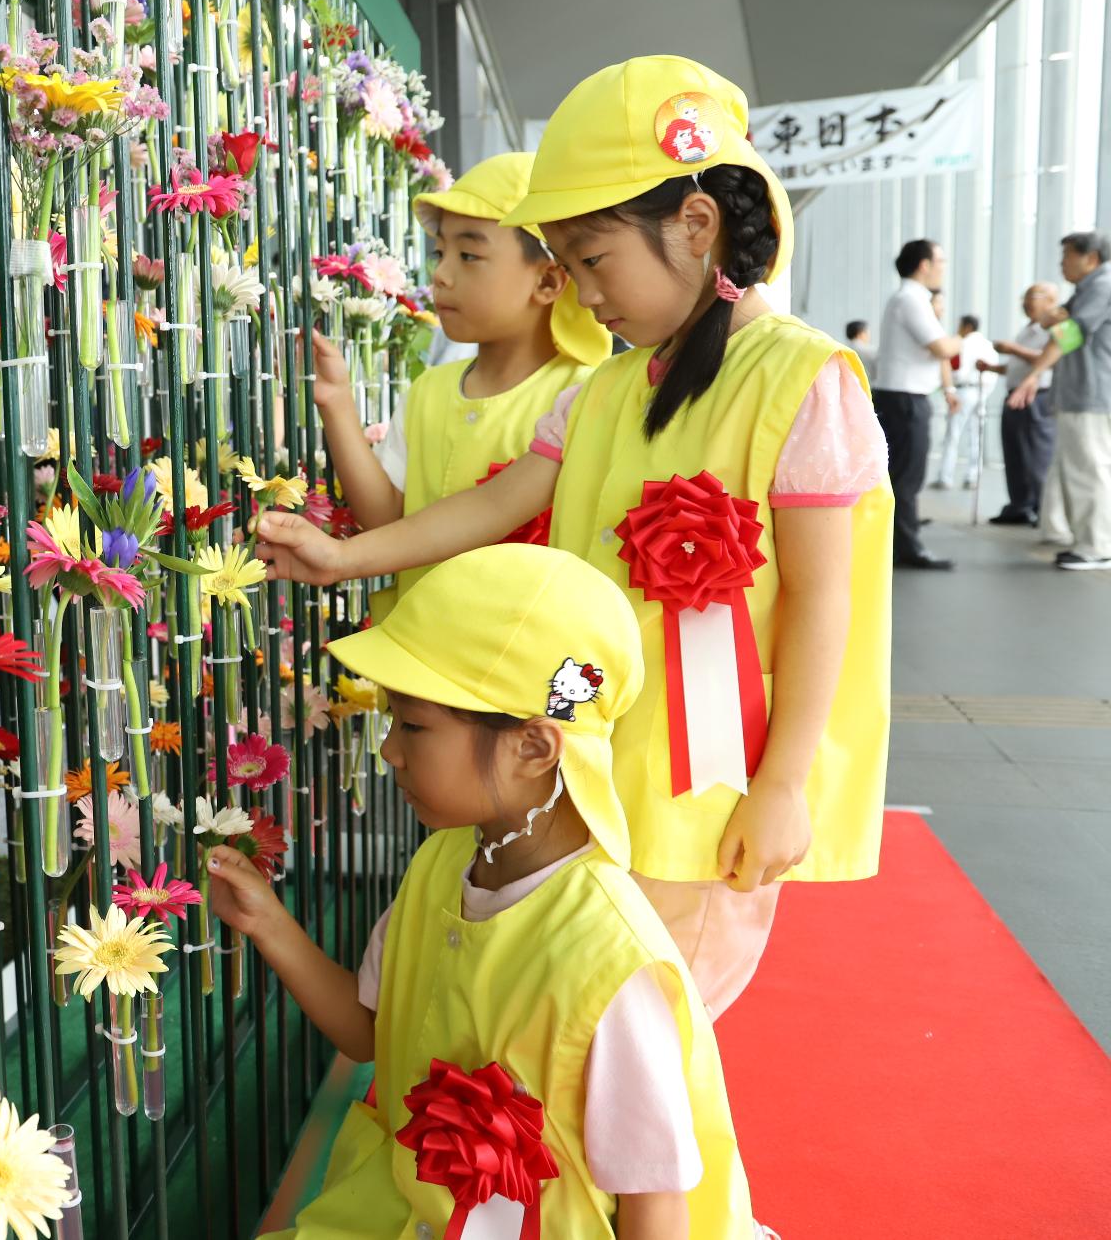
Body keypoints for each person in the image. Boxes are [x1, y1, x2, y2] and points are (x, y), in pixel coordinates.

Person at [254, 55, 891, 1017]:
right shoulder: (606, 390)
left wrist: (786, 783)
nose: (585, 294)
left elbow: (821, 598)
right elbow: (493, 502)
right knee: (582, 1019)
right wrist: (344, 556)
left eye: (593, 260)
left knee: (649, 1032)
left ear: (695, 224)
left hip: (704, 790)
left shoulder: (802, 378)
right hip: (592, 768)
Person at [215, 545, 757, 1239]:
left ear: (534, 745)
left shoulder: (611, 957)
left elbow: (656, 1205)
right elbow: (371, 1028)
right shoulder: (444, 863)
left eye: (412, 725)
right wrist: (271, 925)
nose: (389, 750)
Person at [314, 152, 610, 614]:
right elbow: (386, 518)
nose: (441, 274)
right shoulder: (429, 390)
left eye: (469, 255)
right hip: (414, 652)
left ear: (549, 281)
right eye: (440, 252)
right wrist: (335, 403)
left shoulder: (582, 397)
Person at [1008, 231, 1111, 570]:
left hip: (1090, 394)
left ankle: (1097, 546)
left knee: (1089, 469)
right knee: (1074, 467)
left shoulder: (1101, 285)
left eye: (1067, 256)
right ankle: (1080, 537)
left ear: (1090, 258)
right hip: (1078, 393)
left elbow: (1069, 332)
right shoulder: (1086, 289)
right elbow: (1051, 320)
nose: (1061, 263)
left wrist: (1034, 373)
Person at [869, 240, 961, 568]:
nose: (942, 267)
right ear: (924, 264)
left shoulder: (910, 299)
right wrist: (965, 338)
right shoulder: (911, 299)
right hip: (905, 399)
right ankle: (907, 548)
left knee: (903, 474)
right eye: (941, 260)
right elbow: (941, 348)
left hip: (902, 397)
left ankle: (899, 539)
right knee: (907, 476)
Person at [987, 284, 1058, 525]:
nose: (1026, 303)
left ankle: (1042, 509)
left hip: (1036, 397)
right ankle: (1020, 505)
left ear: (1051, 300)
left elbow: (1047, 359)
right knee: (1015, 454)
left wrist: (1012, 349)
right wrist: (991, 368)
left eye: (1033, 297)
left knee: (1038, 455)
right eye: (1024, 298)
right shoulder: (1027, 330)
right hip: (1014, 395)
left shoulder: (1053, 330)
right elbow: (1017, 366)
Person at [932, 312, 990, 490]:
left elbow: (954, 371)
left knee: (953, 434)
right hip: (981, 392)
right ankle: (972, 476)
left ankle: (945, 477)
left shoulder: (960, 344)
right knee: (976, 436)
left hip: (963, 391)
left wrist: (948, 384)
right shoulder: (987, 346)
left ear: (967, 327)